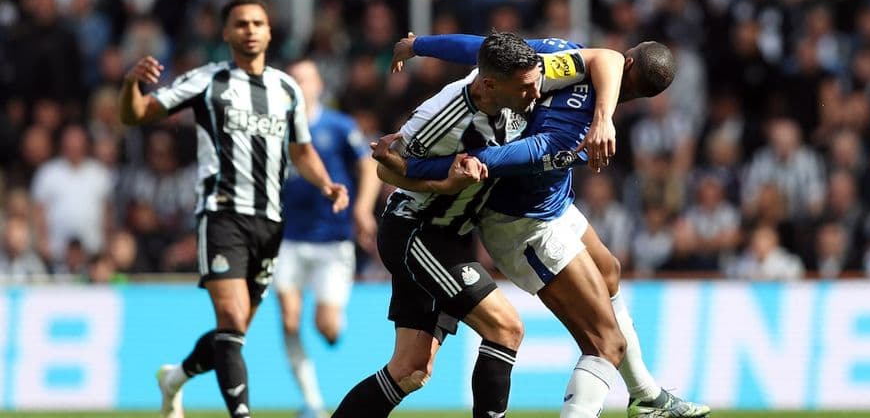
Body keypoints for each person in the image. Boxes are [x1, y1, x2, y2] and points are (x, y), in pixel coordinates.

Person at [378, 33, 710, 417]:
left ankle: (646, 396)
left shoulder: (556, 57)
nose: (533, 91)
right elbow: (484, 159)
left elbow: (487, 49)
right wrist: (408, 166)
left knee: (609, 272)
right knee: (606, 343)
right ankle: (637, 401)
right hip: (523, 224)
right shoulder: (570, 137)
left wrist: (420, 44)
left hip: (553, 206)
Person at [331, 31, 627, 418]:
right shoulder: (439, 119)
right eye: (524, 89)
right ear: (489, 83)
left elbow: (606, 58)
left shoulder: (526, 73)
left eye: (536, 82)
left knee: (410, 371)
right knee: (506, 329)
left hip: (455, 234)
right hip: (419, 232)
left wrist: (418, 44)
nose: (535, 95)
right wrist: (444, 183)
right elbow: (390, 170)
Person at [118, 0, 349, 418]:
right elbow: (137, 116)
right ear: (226, 33)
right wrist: (132, 83)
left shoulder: (286, 89)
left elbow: (302, 152)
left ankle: (175, 379)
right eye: (241, 24)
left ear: (269, 31)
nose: (249, 31)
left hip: (270, 222)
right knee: (230, 314)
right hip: (221, 212)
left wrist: (327, 184)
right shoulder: (206, 80)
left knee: (234, 330)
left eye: (257, 23)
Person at [275, 59, 380, 418]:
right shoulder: (276, 127)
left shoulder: (338, 126)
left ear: (319, 85)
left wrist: (363, 210)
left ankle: (335, 326)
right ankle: (311, 401)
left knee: (326, 326)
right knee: (289, 319)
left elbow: (369, 166)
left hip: (332, 241)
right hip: (287, 238)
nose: (299, 85)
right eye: (293, 80)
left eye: (305, 79)